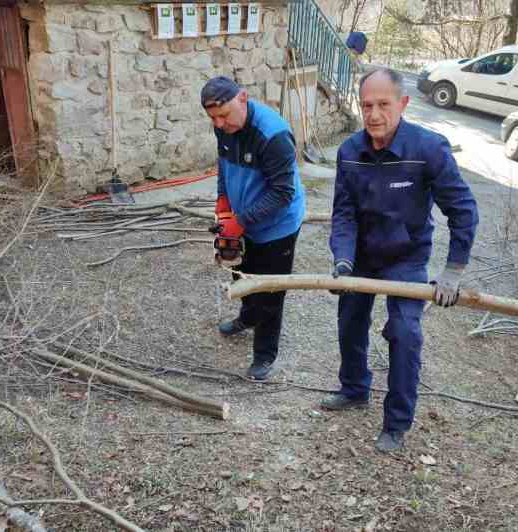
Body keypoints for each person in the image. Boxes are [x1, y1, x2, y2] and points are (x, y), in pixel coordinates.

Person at [323, 68, 479, 452]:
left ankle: (396, 423)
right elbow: (343, 213)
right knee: (350, 323)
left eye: (383, 104)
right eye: (366, 105)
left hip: (406, 258)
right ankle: (355, 389)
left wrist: (453, 271)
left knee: (405, 334)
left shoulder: (427, 149)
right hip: (361, 255)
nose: (374, 114)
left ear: (403, 104)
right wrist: (342, 259)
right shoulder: (349, 152)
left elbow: (463, 210)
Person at [201, 76, 306, 381]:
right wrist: (223, 201)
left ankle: (264, 354)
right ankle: (247, 317)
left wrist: (241, 221)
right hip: (242, 214)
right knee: (242, 270)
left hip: (277, 225)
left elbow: (283, 192)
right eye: (213, 118)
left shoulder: (272, 135)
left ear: (243, 98)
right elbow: (224, 163)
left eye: (224, 115)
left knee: (271, 289)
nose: (220, 124)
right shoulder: (224, 127)